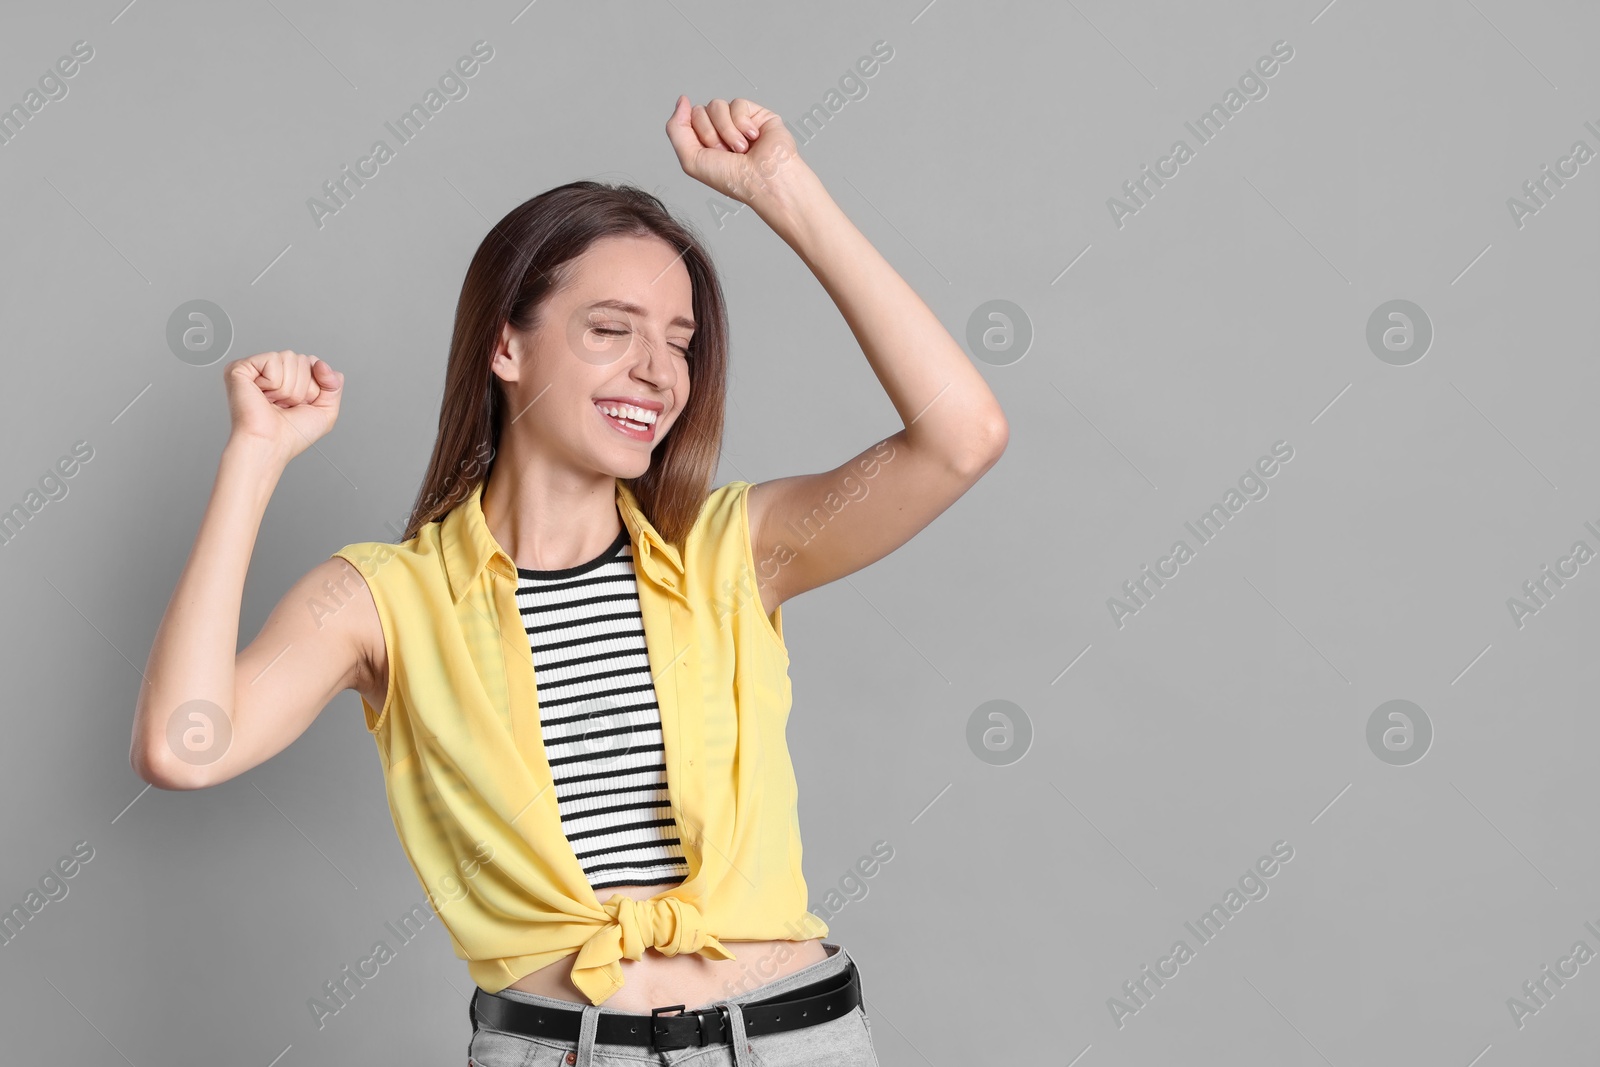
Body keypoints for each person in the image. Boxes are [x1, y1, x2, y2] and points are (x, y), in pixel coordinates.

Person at [130, 95, 1007, 1067]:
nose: (657, 371)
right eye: (611, 329)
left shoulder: (732, 548)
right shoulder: (385, 600)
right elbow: (183, 747)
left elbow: (959, 436)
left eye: (679, 340)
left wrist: (778, 190)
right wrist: (255, 457)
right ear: (505, 345)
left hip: (794, 1038)